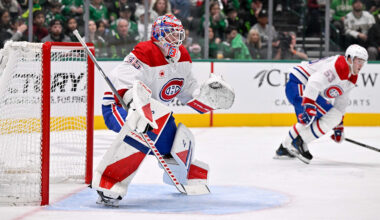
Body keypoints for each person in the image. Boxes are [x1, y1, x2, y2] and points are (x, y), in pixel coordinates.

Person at [92, 14, 234, 206]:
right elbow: (121, 78)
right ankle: (109, 182)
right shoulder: (145, 51)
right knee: (139, 129)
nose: (177, 39)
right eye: (172, 34)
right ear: (159, 34)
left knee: (171, 144)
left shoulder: (182, 56)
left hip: (151, 110)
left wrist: (205, 98)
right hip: (119, 106)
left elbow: (187, 91)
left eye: (179, 34)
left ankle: (184, 172)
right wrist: (137, 106)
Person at [274, 44, 368, 164]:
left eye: (363, 62)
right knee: (311, 115)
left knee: (334, 115)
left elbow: (341, 101)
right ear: (349, 58)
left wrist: (339, 125)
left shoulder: (352, 77)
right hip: (298, 83)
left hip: (307, 87)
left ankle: (287, 147)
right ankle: (295, 142)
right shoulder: (338, 66)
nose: (361, 65)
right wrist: (309, 105)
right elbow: (314, 82)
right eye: (358, 61)